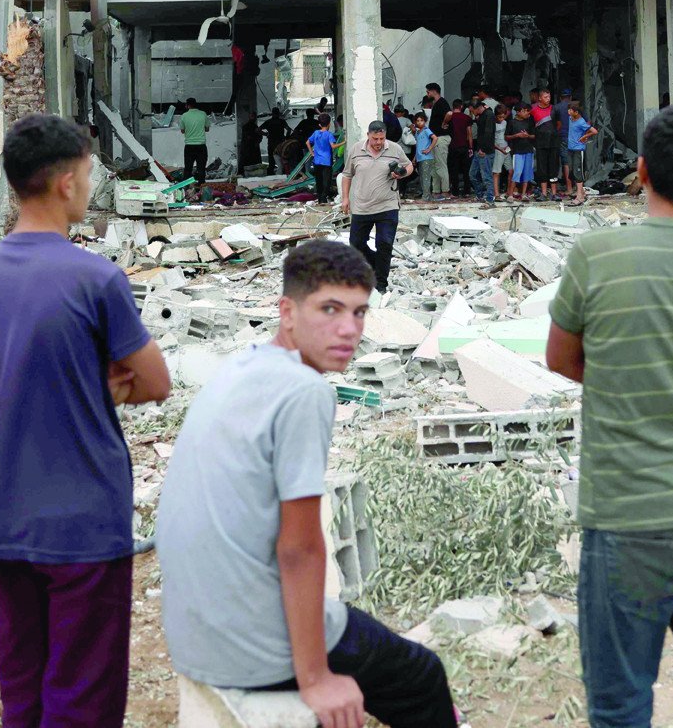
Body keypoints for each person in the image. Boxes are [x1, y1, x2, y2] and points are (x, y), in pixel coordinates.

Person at [157, 240, 458, 728]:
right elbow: (299, 547)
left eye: (360, 313)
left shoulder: (241, 365)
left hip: (194, 634)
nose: (349, 330)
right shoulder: (304, 390)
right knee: (420, 675)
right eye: (330, 310)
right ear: (287, 311)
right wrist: (316, 678)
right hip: (250, 647)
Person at [544, 105, 673, 728]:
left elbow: (561, 357)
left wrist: (619, 378)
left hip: (632, 510)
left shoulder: (595, 254)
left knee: (621, 704)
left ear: (639, 171)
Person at [0, 114, 172, 728]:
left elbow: (17, 375)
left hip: (4, 520)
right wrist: (103, 382)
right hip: (82, 525)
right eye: (88, 172)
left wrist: (81, 377)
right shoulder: (95, 277)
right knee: (82, 702)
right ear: (65, 184)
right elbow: (157, 382)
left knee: (23, 698)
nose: (90, 183)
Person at [340, 121, 412, 292]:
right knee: (356, 243)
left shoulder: (394, 149)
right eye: (375, 139)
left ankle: (381, 284)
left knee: (384, 244)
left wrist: (402, 173)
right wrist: (345, 198)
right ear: (368, 135)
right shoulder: (356, 150)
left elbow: (409, 166)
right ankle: (376, 263)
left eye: (381, 138)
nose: (379, 142)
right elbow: (347, 175)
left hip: (388, 206)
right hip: (362, 207)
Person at [565, 102, 599, 204]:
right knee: (571, 171)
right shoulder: (570, 119)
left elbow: (594, 131)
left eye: (571, 110)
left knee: (577, 172)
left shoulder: (581, 122)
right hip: (570, 148)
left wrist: (584, 136)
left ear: (576, 112)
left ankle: (580, 197)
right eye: (569, 109)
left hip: (578, 150)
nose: (568, 111)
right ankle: (581, 192)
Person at [533, 92, 564, 203]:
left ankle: (554, 193)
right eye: (545, 97)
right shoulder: (534, 110)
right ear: (540, 98)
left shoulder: (555, 109)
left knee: (553, 167)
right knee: (542, 168)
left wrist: (552, 134)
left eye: (549, 97)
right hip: (540, 144)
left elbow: (559, 124)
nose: (548, 99)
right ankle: (544, 193)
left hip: (553, 143)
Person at [468, 91, 496, 203]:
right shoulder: (481, 115)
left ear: (477, 107)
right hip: (478, 149)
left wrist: (483, 149)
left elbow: (488, 134)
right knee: (472, 175)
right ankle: (480, 195)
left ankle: (490, 199)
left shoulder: (489, 115)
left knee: (486, 176)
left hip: (485, 151)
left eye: (472, 110)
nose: (472, 113)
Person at [507, 104, 537, 201]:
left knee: (527, 173)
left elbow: (534, 136)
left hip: (528, 150)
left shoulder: (529, 122)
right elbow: (506, 136)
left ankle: (524, 194)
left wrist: (527, 136)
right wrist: (517, 135)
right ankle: (510, 195)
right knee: (517, 172)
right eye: (525, 111)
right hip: (517, 151)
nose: (527, 113)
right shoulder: (512, 122)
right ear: (519, 112)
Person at [445, 100, 473, 198]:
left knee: (454, 170)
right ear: (461, 107)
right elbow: (469, 133)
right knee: (466, 170)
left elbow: (445, 127)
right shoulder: (467, 118)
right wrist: (471, 147)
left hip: (452, 146)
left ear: (453, 107)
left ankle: (455, 192)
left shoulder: (449, 117)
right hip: (464, 146)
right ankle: (467, 191)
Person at [179, 98, 211, 184]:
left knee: (188, 168)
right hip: (201, 145)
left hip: (189, 146)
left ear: (187, 105)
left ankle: (186, 188)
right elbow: (207, 129)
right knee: (201, 168)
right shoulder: (203, 114)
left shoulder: (184, 116)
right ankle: (201, 188)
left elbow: (182, 131)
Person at [308, 115, 338, 203]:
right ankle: (324, 198)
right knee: (327, 181)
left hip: (317, 161)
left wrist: (311, 152)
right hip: (326, 161)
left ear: (320, 124)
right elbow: (333, 146)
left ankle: (320, 199)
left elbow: (307, 142)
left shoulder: (316, 133)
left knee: (319, 180)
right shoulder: (329, 134)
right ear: (329, 124)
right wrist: (344, 142)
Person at [411, 111, 438, 201]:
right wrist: (415, 158)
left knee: (426, 178)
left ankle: (425, 197)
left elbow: (435, 138)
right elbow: (418, 146)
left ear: (425, 121)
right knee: (423, 178)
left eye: (421, 120)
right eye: (417, 121)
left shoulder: (426, 130)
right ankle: (427, 196)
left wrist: (429, 149)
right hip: (420, 158)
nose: (419, 122)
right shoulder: (418, 133)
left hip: (426, 157)